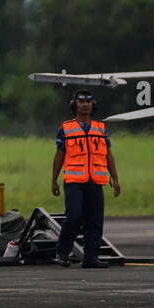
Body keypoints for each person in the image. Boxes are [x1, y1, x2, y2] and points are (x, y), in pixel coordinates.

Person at [51, 89, 120, 268]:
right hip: (74, 181)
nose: (85, 104)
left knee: (95, 220)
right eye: (81, 101)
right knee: (74, 215)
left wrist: (115, 179)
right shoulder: (66, 128)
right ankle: (62, 253)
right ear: (75, 105)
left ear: (93, 105)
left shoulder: (100, 128)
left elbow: (108, 155)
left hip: (96, 180)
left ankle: (91, 257)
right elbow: (59, 155)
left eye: (89, 101)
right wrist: (54, 180)